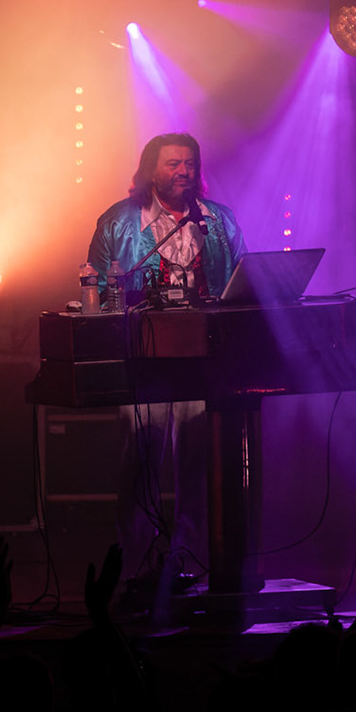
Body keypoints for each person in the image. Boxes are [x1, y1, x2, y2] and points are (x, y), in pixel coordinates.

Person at [87, 133, 247, 585]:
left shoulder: (218, 220)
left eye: (189, 164)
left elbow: (244, 280)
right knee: (141, 464)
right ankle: (138, 566)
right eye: (173, 164)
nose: (183, 172)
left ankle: (189, 561)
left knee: (199, 464)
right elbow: (95, 286)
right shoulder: (118, 221)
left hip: (204, 362)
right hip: (144, 360)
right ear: (150, 170)